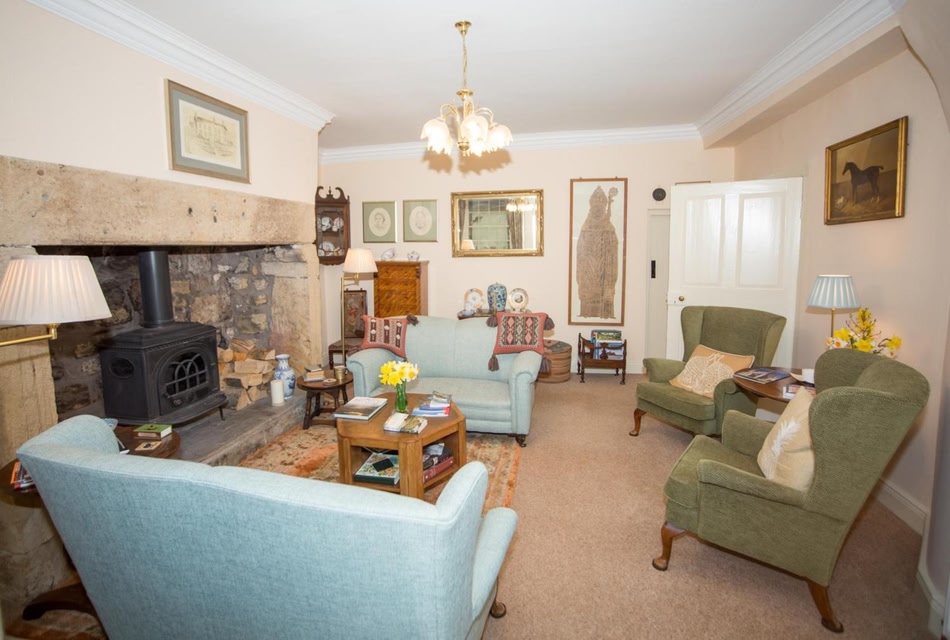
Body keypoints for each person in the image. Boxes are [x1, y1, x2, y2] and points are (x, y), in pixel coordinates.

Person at [575, 185, 619, 318]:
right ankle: (587, 312)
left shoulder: (608, 227)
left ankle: (604, 312)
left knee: (604, 289)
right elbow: (580, 248)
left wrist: (607, 248)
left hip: (604, 266)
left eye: (601, 206)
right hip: (589, 267)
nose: (598, 209)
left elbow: (613, 247)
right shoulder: (586, 226)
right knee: (588, 288)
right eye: (595, 206)